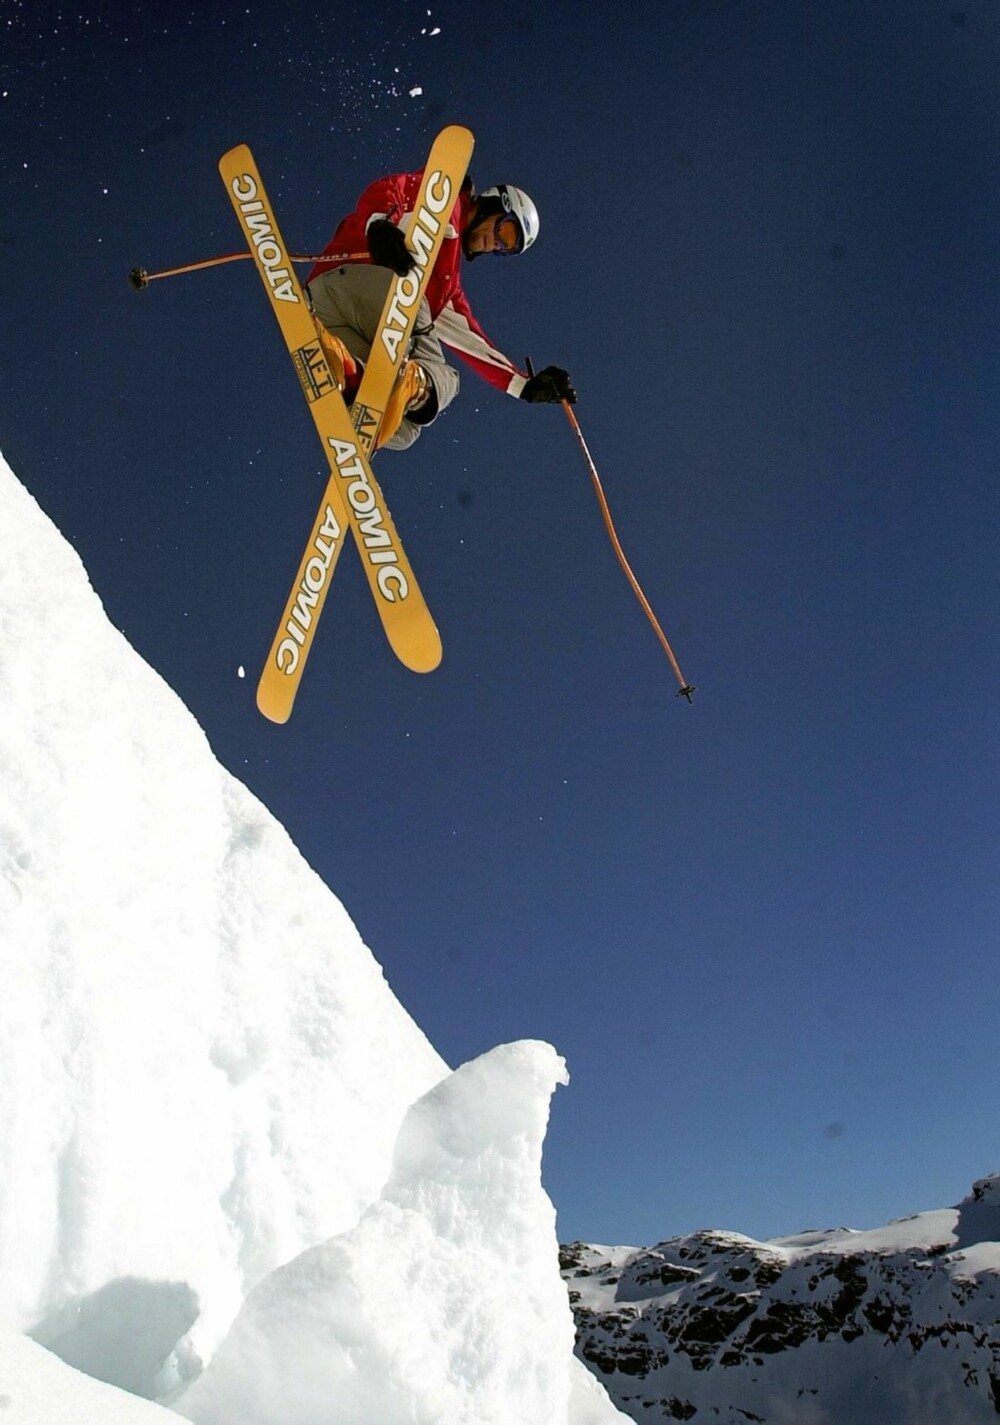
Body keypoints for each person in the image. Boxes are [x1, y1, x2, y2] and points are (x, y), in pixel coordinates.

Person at [305, 169, 577, 451]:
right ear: (494, 205)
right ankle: (414, 386)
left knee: (404, 429)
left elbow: (471, 340)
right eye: (504, 232)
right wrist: (378, 224)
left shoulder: (445, 284)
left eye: (505, 248)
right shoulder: (445, 204)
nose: (494, 245)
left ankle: (347, 373)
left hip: (325, 311)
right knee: (446, 378)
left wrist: (524, 386)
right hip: (366, 280)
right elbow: (393, 188)